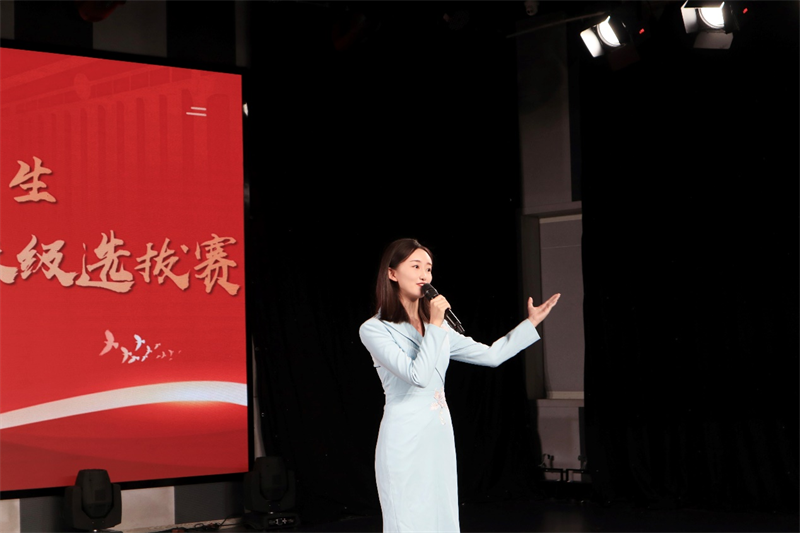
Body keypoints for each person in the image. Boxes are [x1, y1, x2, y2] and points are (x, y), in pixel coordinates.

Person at [359, 238, 560, 533]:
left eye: (428, 268)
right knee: (407, 518)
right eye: (415, 266)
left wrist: (530, 324)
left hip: (438, 434)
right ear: (392, 273)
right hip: (404, 436)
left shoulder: (438, 327)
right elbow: (418, 376)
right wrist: (435, 326)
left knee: (442, 516)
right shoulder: (375, 329)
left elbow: (491, 356)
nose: (424, 275)